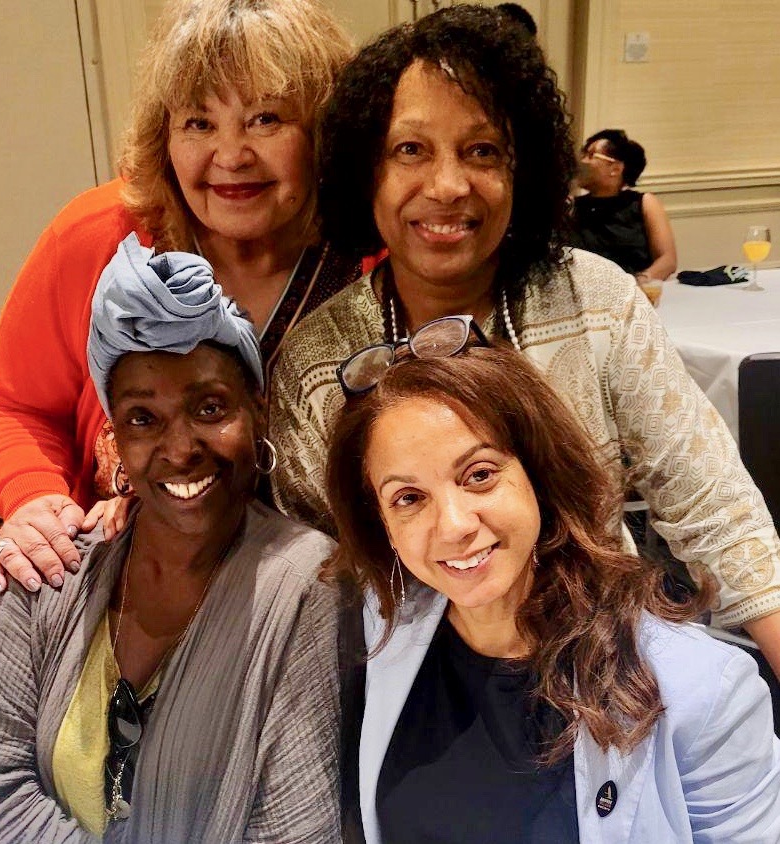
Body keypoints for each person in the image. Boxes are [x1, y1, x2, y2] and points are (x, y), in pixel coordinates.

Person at [267, 4, 780, 678]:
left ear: (523, 169)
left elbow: (713, 506)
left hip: (610, 672)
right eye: (410, 150)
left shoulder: (594, 301)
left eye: (481, 151)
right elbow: (329, 587)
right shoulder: (319, 364)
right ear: (367, 172)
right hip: (419, 698)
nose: (449, 186)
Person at [326, 340, 780, 843]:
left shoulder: (701, 690)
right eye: (409, 498)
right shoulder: (373, 638)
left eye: (478, 475)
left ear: (538, 476)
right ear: (382, 522)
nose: (453, 525)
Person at [0, 0, 356, 595]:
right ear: (164, 135)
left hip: (323, 594)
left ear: (324, 132)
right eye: (199, 123)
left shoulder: (371, 258)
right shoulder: (96, 237)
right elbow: (18, 406)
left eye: (265, 119)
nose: (230, 157)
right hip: (135, 582)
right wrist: (37, 499)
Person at [0, 234, 340, 843]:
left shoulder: (308, 588)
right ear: (113, 438)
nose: (180, 448)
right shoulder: (47, 567)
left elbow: (296, 831)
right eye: (144, 419)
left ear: (260, 411)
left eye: (211, 408)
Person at [572, 128, 677, 283]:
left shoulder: (644, 203)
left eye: (591, 155)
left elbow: (667, 260)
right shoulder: (573, 206)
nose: (583, 161)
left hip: (634, 292)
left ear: (615, 169)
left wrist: (639, 282)